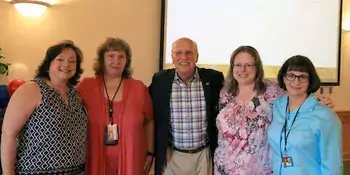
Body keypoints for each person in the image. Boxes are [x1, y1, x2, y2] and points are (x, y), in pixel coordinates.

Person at [213, 46, 333, 174]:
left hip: (261, 170)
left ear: (257, 67)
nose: (243, 70)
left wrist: (319, 102)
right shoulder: (222, 93)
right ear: (232, 67)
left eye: (249, 65)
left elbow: (297, 98)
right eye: (238, 65)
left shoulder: (272, 92)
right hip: (223, 169)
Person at [1, 40, 87, 174]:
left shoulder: (75, 94)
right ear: (48, 64)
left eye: (72, 61)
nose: (66, 64)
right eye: (60, 59)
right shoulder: (32, 89)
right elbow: (8, 135)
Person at [77, 37, 154, 175]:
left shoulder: (139, 88)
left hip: (132, 162)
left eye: (121, 57)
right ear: (102, 59)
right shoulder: (85, 87)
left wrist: (150, 152)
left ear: (127, 61)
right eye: (111, 56)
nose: (116, 61)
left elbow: (149, 121)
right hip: (94, 160)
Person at [149, 37, 224, 175]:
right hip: (173, 156)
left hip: (204, 155)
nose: (184, 57)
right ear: (172, 58)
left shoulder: (214, 79)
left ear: (197, 56)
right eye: (178, 53)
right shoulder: (160, 80)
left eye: (189, 52)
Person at [267, 55, 342, 175]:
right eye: (291, 75)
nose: (296, 82)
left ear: (310, 81)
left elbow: (333, 165)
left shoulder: (325, 115)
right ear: (284, 78)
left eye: (302, 77)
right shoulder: (277, 106)